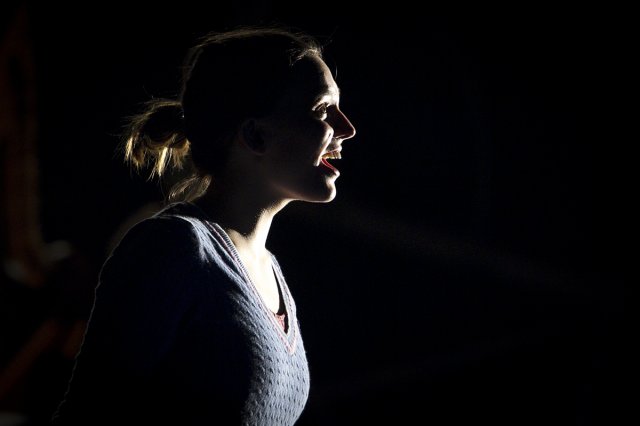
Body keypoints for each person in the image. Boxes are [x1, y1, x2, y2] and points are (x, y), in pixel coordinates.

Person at [50, 26, 356, 425]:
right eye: (321, 109)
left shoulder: (272, 272)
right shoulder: (173, 247)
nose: (347, 128)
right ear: (254, 135)